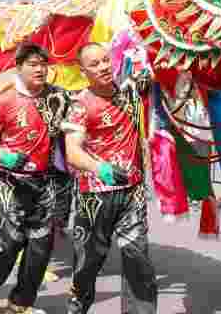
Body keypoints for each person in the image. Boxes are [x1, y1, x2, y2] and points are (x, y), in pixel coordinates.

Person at [0, 42, 71, 314]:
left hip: (46, 181)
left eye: (43, 65)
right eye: (33, 65)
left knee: (40, 247)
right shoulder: (6, 100)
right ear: (19, 68)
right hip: (9, 180)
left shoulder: (59, 97)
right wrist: (5, 156)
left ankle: (21, 303)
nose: (40, 70)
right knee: (6, 244)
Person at [63, 42, 157, 314]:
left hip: (132, 193)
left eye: (105, 60)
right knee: (87, 264)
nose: (103, 67)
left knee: (138, 259)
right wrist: (100, 168)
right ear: (83, 71)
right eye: (94, 64)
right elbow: (72, 152)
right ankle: (77, 307)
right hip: (95, 196)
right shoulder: (80, 104)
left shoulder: (130, 92)